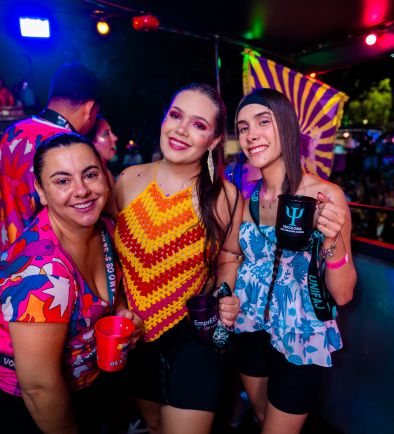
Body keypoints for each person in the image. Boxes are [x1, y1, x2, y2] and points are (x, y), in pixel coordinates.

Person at [0, 133, 142, 434]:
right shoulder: (41, 275)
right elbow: (39, 387)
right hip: (28, 409)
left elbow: (108, 295)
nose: (82, 190)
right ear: (40, 191)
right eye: (63, 181)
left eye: (90, 174)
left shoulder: (105, 229)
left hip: (90, 385)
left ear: (105, 177)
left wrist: (121, 314)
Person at [112, 83, 243, 434]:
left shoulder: (226, 196)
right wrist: (120, 307)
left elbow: (230, 254)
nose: (181, 130)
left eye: (198, 125)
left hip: (194, 334)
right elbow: (106, 256)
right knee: (154, 426)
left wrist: (226, 293)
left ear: (214, 140)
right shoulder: (126, 180)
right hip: (134, 336)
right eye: (176, 115)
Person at [232, 88, 356, 433]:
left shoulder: (324, 195)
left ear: (286, 125)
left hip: (299, 335)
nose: (251, 134)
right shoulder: (247, 197)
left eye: (263, 121)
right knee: (260, 417)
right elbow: (235, 260)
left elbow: (344, 294)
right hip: (248, 324)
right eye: (243, 127)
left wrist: (331, 238)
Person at [0, 62, 101, 251]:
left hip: (14, 256)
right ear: (89, 109)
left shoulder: (12, 133)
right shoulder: (65, 145)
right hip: (51, 259)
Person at [89, 114, 119, 186]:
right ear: (91, 141)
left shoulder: (107, 174)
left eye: (111, 132)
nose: (115, 138)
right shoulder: (94, 180)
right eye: (106, 133)